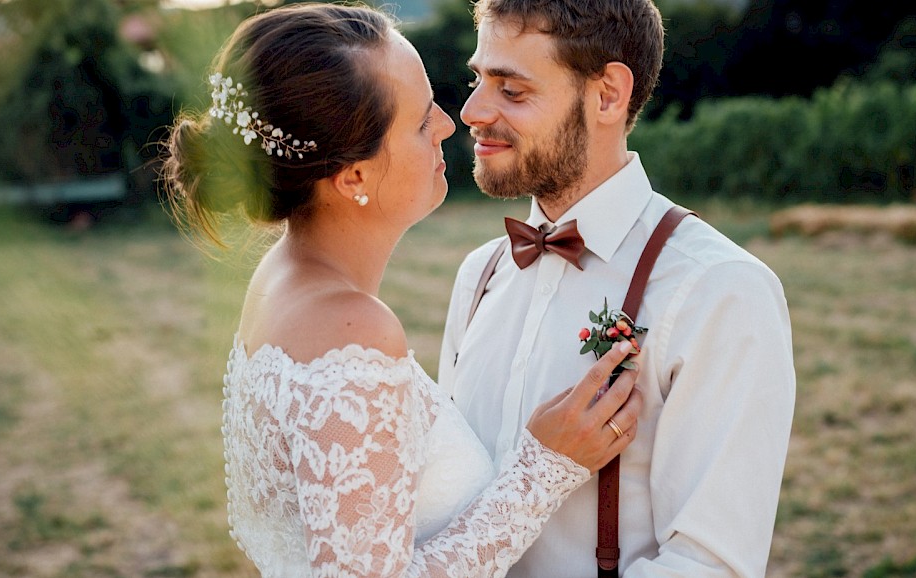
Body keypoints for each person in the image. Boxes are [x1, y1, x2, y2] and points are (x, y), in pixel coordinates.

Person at [161, 3, 647, 577]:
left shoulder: (279, 280)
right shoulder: (353, 328)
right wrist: (545, 467)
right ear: (354, 176)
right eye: (420, 121)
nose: (451, 122)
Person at [438, 0, 797, 576]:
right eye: (478, 79)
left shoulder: (720, 290)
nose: (472, 111)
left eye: (512, 90)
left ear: (607, 94)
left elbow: (707, 566)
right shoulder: (480, 275)